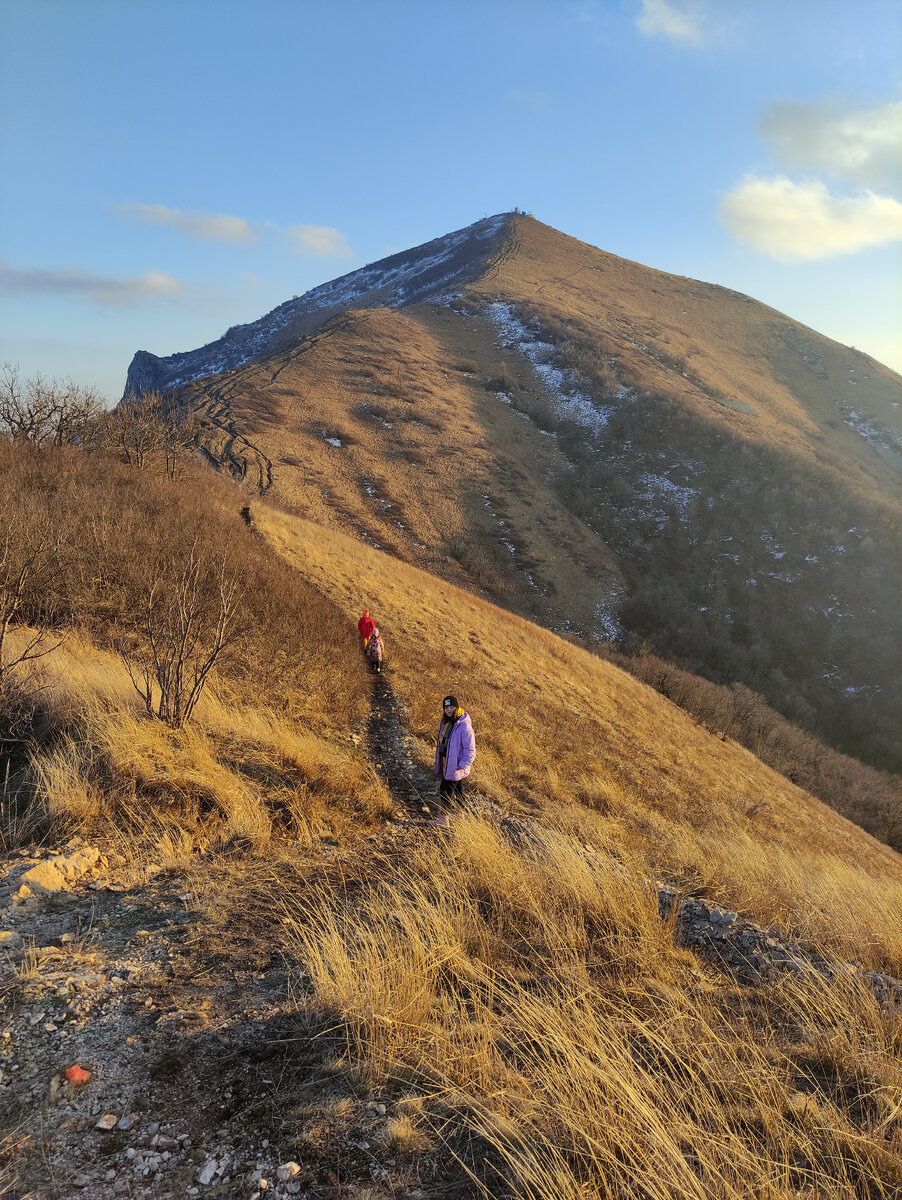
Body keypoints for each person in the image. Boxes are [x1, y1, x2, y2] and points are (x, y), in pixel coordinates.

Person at [434, 695, 476, 803]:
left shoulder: (464, 725)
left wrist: (461, 765)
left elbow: (470, 750)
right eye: (446, 708)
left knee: (444, 790)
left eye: (451, 707)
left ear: (456, 708)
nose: (448, 710)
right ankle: (460, 817)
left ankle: (443, 819)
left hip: (455, 766)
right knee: (458, 791)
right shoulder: (446, 722)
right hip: (448, 763)